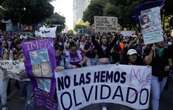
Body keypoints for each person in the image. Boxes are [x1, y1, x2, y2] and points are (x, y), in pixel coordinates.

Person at [144, 42, 169, 110]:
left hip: (164, 76)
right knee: (156, 96)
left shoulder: (167, 50)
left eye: (162, 40)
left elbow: (170, 61)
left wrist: (169, 66)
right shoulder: (149, 49)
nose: (161, 42)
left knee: (158, 93)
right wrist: (152, 51)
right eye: (160, 40)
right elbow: (147, 62)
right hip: (153, 76)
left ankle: (151, 96)